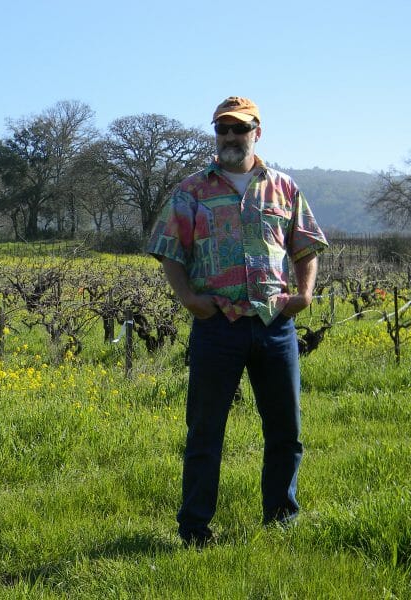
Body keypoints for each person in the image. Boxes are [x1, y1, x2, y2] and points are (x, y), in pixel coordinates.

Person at [146, 96, 328, 547]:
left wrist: (303, 293)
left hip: (274, 324)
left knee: (286, 429)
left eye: (239, 129)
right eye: (222, 129)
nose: (230, 137)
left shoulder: (284, 188)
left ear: (256, 133)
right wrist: (188, 297)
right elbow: (169, 249)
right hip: (216, 325)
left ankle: (281, 520)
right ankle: (194, 529)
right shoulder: (191, 190)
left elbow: (305, 245)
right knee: (205, 432)